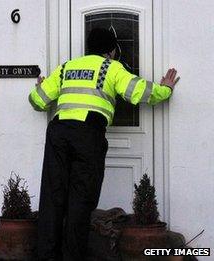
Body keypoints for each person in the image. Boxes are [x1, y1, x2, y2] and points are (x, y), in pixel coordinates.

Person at [29, 28, 180, 260]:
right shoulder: (111, 67)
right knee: (81, 199)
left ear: (88, 48)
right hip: (87, 134)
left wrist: (39, 88)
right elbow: (138, 91)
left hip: (58, 132)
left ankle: (47, 256)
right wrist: (165, 89)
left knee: (52, 196)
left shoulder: (66, 67)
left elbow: (37, 101)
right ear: (111, 51)